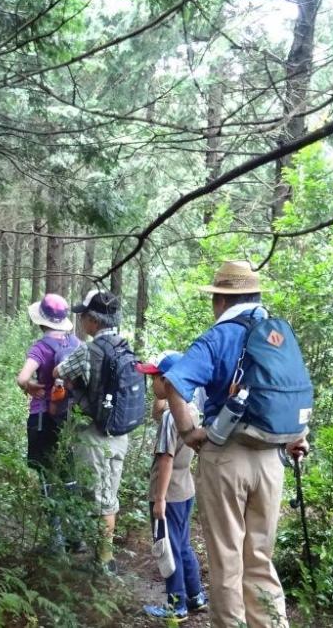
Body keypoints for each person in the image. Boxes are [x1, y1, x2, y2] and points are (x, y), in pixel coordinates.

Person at [162, 260, 308, 628]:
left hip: (226, 455)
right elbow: (292, 394)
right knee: (260, 556)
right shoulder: (280, 336)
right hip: (273, 459)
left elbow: (175, 382)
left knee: (228, 557)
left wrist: (188, 431)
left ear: (222, 301)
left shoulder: (219, 336)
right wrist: (297, 438)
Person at [53, 289, 130, 574]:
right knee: (110, 495)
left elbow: (58, 372)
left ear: (94, 321)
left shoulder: (88, 350)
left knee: (100, 500)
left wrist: (72, 384)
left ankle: (103, 562)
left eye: (84, 316)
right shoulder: (124, 346)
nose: (82, 321)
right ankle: (105, 558)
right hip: (119, 433)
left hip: (95, 433)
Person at [136, 350, 208, 621]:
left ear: (167, 380)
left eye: (154, 378)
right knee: (184, 545)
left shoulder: (170, 417)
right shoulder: (189, 409)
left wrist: (159, 500)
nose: (152, 384)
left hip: (169, 492)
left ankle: (175, 605)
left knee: (168, 547)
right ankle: (195, 595)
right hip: (185, 487)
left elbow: (165, 459)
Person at [15, 294, 81, 551]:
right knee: (69, 475)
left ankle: (55, 541)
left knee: (46, 475)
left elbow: (23, 377)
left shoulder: (41, 347)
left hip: (42, 417)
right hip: (69, 417)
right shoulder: (76, 343)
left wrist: (29, 386)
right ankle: (76, 535)